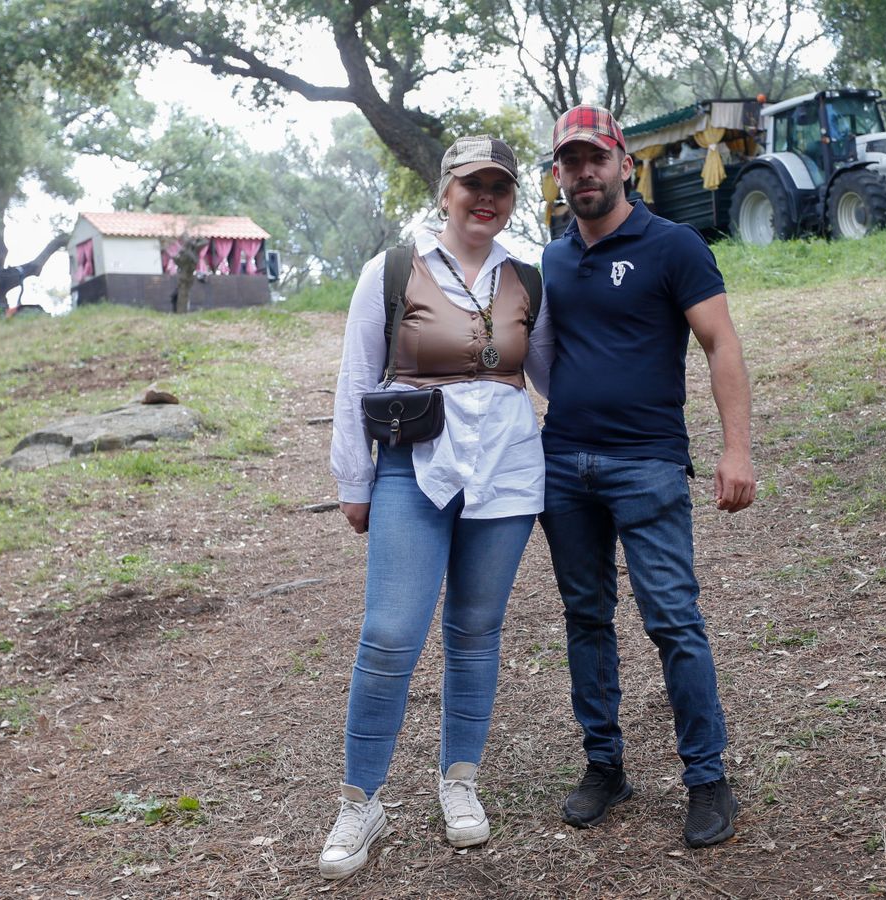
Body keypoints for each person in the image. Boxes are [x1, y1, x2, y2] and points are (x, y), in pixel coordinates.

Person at [321, 134, 551, 880]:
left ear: (512, 199)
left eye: (500, 187)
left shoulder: (528, 278)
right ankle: (361, 802)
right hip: (412, 470)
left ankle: (460, 782)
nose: (486, 198)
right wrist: (354, 483)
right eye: (472, 184)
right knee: (390, 635)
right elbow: (356, 377)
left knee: (477, 632)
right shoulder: (391, 270)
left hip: (507, 475)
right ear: (445, 189)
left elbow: (547, 370)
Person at [539, 105, 756, 849]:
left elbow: (720, 343)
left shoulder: (674, 246)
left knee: (673, 622)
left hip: (649, 465)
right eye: (570, 162)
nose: (584, 174)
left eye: (596, 159)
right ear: (559, 174)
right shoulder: (551, 259)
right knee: (586, 620)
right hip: (562, 467)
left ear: (624, 164)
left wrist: (737, 449)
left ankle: (707, 776)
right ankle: (606, 766)